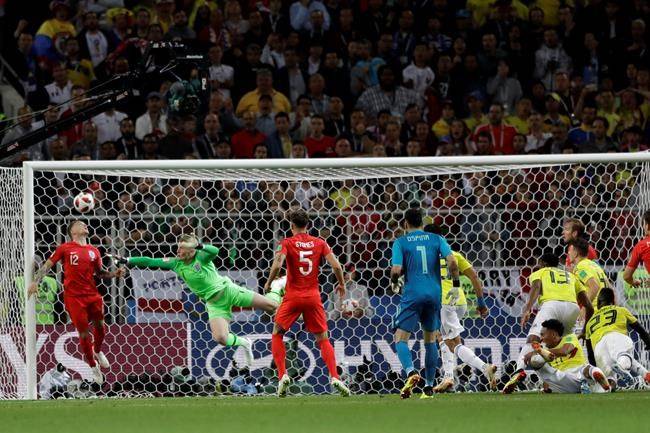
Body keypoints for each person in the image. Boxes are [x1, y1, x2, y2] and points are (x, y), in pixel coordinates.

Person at [113, 234, 279, 367]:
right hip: (214, 304)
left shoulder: (201, 257)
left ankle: (278, 287)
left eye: (182, 248)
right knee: (221, 338)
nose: (178, 250)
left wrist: (200, 246)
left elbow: (215, 251)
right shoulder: (176, 263)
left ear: (192, 250)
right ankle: (245, 342)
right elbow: (150, 261)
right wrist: (127, 260)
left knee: (272, 306)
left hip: (229, 291)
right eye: (178, 247)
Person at [264, 208, 350, 398]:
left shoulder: (287, 242)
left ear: (291, 225)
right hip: (313, 296)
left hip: (293, 296)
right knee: (323, 338)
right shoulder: (320, 242)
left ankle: (282, 375)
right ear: (308, 224)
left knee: (277, 333)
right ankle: (335, 377)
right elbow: (336, 265)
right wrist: (342, 284)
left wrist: (269, 282)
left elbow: (278, 264)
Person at [27, 220, 126, 384]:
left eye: (85, 224)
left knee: (101, 328)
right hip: (73, 297)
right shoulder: (65, 248)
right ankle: (94, 368)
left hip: (92, 295)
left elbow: (99, 273)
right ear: (72, 231)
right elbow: (47, 265)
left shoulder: (94, 251)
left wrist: (114, 274)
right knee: (84, 333)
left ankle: (98, 350)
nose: (85, 225)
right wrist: (36, 281)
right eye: (80, 224)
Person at [390, 208, 458, 399]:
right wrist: (455, 284)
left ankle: (411, 372)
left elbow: (396, 269)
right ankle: (429, 386)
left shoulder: (401, 242)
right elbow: (452, 262)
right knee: (430, 340)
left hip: (413, 294)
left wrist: (394, 283)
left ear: (405, 224)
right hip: (434, 293)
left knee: (400, 337)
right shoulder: (436, 239)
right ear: (422, 221)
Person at [503, 252, 593, 393]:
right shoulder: (571, 276)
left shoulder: (541, 272)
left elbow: (536, 287)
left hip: (551, 305)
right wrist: (584, 330)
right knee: (565, 340)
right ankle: (584, 375)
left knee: (534, 338)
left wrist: (527, 310)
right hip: (572, 308)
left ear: (543, 263)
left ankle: (519, 370)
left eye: (539, 263)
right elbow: (589, 306)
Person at [423, 224, 497, 393]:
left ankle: (485, 367)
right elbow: (474, 277)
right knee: (442, 338)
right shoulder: (454, 255)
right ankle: (448, 377)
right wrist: (481, 302)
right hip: (459, 301)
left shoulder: (426, 258)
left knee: (453, 343)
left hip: (443, 301)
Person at [524, 319, 610, 393]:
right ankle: (592, 377)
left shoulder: (569, 338)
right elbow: (549, 373)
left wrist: (539, 351)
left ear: (553, 335)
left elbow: (564, 351)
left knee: (587, 369)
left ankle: (595, 375)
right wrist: (547, 385)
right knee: (535, 360)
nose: (541, 338)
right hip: (563, 379)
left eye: (543, 334)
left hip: (579, 372)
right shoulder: (544, 352)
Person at [585, 288, 650, 386]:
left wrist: (595, 368)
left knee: (610, 379)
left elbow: (590, 353)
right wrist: (648, 342)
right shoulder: (620, 310)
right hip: (616, 337)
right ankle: (621, 366)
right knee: (623, 358)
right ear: (613, 300)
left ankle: (645, 375)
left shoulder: (590, 322)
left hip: (599, 349)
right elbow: (640, 329)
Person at [568, 238, 611, 308]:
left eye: (570, 250)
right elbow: (611, 288)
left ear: (576, 253)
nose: (569, 253)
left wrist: (585, 308)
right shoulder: (595, 265)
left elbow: (594, 286)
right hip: (606, 308)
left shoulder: (580, 268)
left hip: (595, 310)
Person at [623, 210, 650, 287]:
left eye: (644, 224)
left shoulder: (641, 245)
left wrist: (633, 282)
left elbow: (626, 276)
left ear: (647, 226)